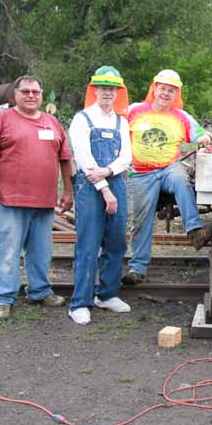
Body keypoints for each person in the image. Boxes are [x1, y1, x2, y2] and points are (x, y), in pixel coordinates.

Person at [0, 75, 73, 321]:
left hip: (44, 202)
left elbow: (65, 160)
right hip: (9, 201)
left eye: (36, 92)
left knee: (41, 252)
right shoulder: (1, 120)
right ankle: (3, 298)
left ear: (42, 95)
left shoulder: (52, 123)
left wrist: (68, 191)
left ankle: (39, 291)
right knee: (7, 252)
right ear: (14, 95)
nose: (31, 96)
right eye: (26, 91)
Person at [122, 69, 212, 284]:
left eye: (171, 90)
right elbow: (114, 128)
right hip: (140, 173)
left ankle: (194, 229)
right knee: (141, 221)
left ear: (176, 93)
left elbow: (202, 134)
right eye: (162, 88)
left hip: (169, 168)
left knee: (182, 180)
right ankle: (137, 268)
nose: (165, 93)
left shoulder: (181, 117)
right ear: (154, 89)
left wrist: (205, 138)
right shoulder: (134, 111)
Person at [67, 66, 133, 325]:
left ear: (118, 92)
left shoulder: (121, 121)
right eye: (103, 87)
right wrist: (105, 189)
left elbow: (126, 157)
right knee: (88, 244)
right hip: (91, 188)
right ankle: (80, 303)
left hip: (115, 182)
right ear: (94, 90)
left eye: (112, 88)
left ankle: (106, 294)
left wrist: (108, 170)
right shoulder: (82, 119)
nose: (107, 92)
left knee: (116, 241)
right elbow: (84, 159)